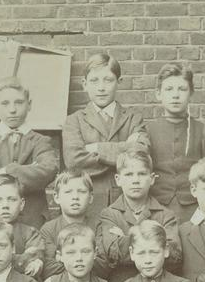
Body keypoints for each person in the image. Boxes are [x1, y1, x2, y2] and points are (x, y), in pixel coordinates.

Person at [62, 52, 149, 216]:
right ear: (84, 84)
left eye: (108, 80)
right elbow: (74, 161)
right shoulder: (74, 121)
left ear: (119, 82)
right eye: (94, 81)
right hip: (89, 202)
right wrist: (125, 149)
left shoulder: (133, 118)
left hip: (128, 202)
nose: (101, 87)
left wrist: (95, 148)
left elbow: (141, 153)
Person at [0, 76, 60, 228]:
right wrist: (30, 170)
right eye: (5, 103)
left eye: (19, 102)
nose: (12, 109)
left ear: (29, 105)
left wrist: (7, 171)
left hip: (34, 222)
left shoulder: (40, 141)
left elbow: (48, 170)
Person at [97, 150, 183, 282]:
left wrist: (126, 238)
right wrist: (155, 243)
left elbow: (174, 256)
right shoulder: (110, 214)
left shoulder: (166, 215)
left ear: (152, 178)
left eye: (142, 174)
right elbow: (113, 253)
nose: (135, 180)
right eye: (129, 174)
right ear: (118, 180)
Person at [145, 63, 205, 221]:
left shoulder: (203, 131)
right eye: (169, 89)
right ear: (158, 94)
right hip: (156, 208)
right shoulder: (148, 131)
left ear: (191, 93)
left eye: (182, 89)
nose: (175, 95)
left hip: (193, 210)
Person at [40, 170, 100, 279]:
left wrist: (64, 259)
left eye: (81, 191)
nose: (75, 197)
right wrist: (86, 260)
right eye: (68, 192)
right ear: (56, 197)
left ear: (90, 197)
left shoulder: (98, 226)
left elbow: (103, 266)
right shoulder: (48, 229)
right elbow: (48, 268)